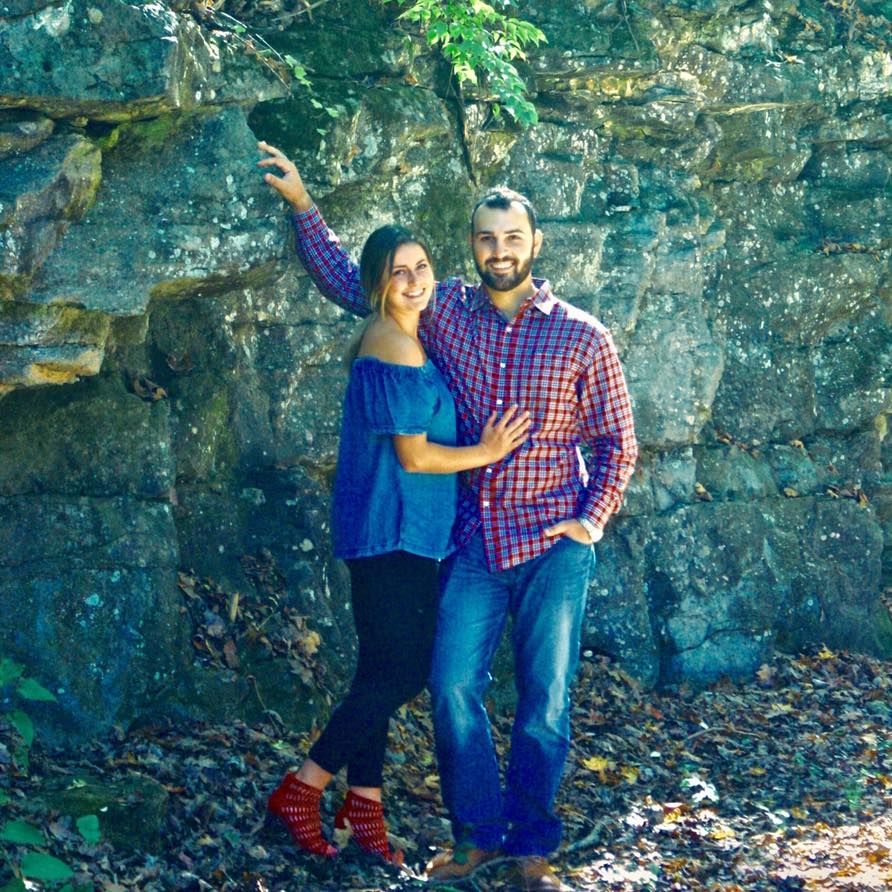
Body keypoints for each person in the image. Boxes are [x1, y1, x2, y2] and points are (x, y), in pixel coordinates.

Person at [258, 140, 638, 891]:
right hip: (471, 543)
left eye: (513, 237)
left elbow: (618, 442)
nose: (500, 251)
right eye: (487, 239)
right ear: (473, 245)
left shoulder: (582, 335)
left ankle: (531, 847)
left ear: (536, 243)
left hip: (553, 545)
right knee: (450, 686)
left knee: (545, 703)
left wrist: (589, 521)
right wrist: (303, 205)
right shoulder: (446, 312)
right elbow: (359, 284)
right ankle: (474, 839)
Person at [264, 216, 531, 863]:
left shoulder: (403, 332)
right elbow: (414, 456)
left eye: (421, 268)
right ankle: (303, 788)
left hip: (397, 532)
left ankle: (365, 808)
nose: (413, 281)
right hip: (393, 532)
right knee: (406, 670)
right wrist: (487, 451)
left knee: (377, 672)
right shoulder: (395, 345)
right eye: (398, 273)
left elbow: (339, 273)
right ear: (379, 285)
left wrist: (303, 205)